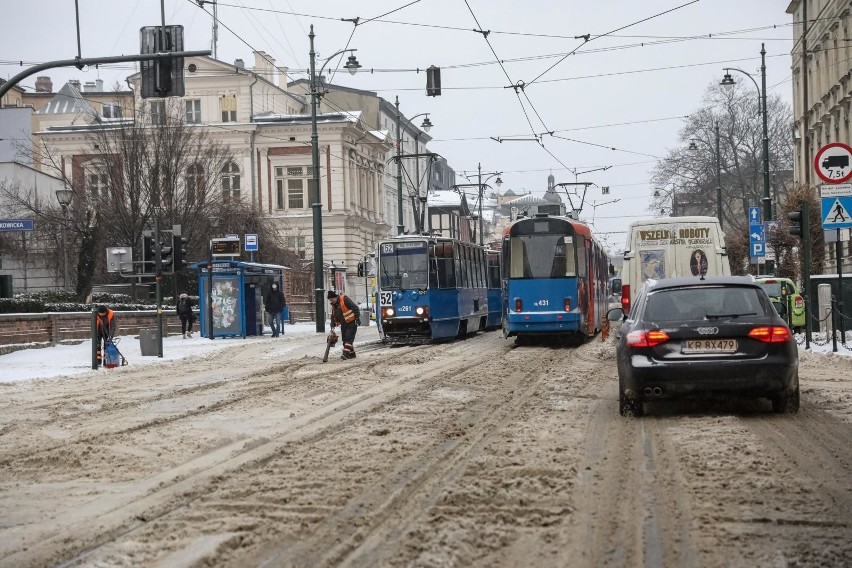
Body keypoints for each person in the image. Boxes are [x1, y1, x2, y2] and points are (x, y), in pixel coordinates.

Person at [327, 290, 360, 359]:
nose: (331, 301)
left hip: (351, 322)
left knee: (348, 338)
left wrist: (357, 318)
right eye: (330, 300)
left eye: (332, 299)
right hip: (344, 324)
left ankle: (345, 354)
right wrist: (332, 326)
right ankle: (352, 354)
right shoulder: (334, 306)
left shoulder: (344, 299)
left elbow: (355, 308)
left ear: (335, 297)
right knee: (344, 339)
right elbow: (333, 317)